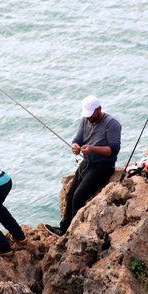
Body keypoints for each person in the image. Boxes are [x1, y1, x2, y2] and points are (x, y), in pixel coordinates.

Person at [45, 95, 121, 236]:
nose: (89, 118)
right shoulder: (85, 120)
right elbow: (78, 140)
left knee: (78, 196)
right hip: (87, 163)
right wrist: (75, 146)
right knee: (70, 194)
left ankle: (74, 232)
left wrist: (92, 149)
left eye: (91, 114)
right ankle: (64, 229)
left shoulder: (112, 124)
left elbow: (113, 149)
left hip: (103, 166)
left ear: (99, 109)